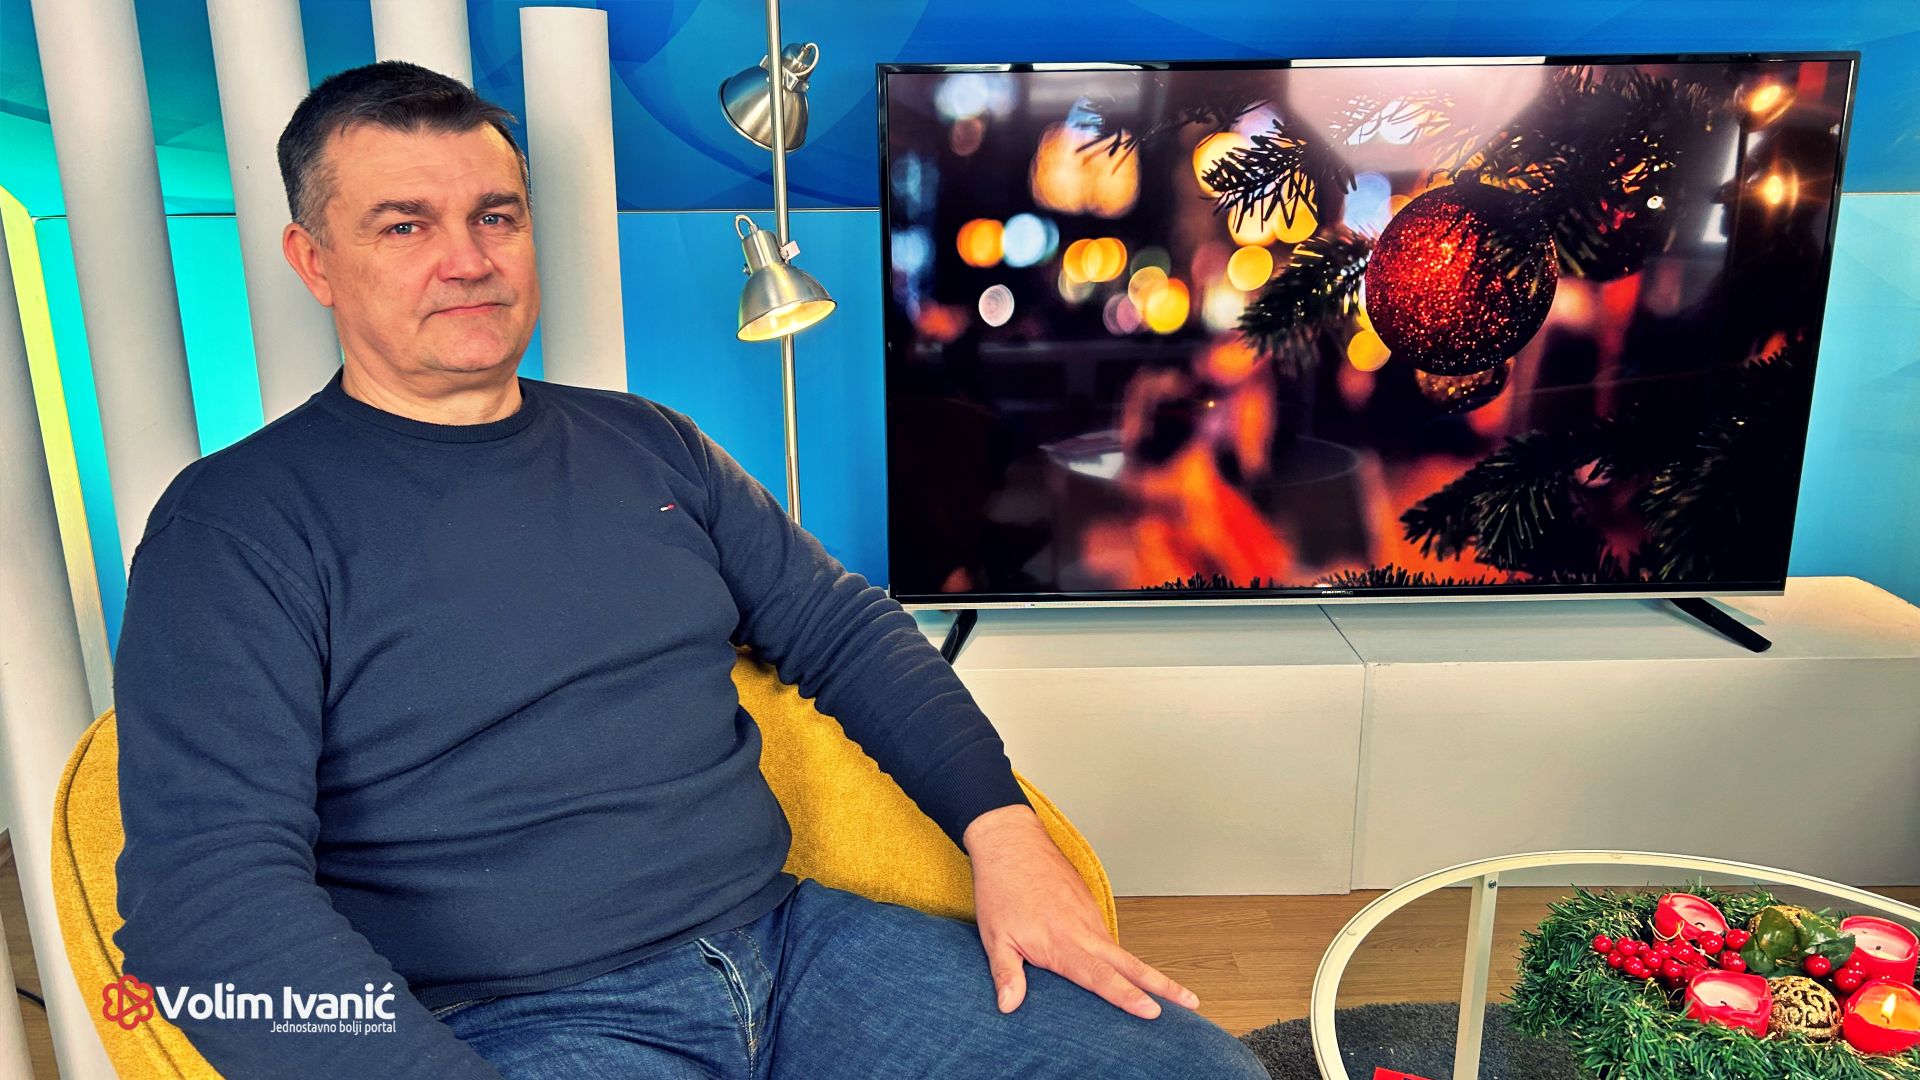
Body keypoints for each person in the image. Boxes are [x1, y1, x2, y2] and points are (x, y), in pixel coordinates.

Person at [111, 61, 1271, 1079]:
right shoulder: (235, 526)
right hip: (517, 1019)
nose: (467, 260)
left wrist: (1001, 828)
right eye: (404, 226)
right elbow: (205, 901)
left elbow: (843, 631)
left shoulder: (648, 443)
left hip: (802, 954)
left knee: (1197, 1069)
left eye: (496, 216)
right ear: (314, 262)